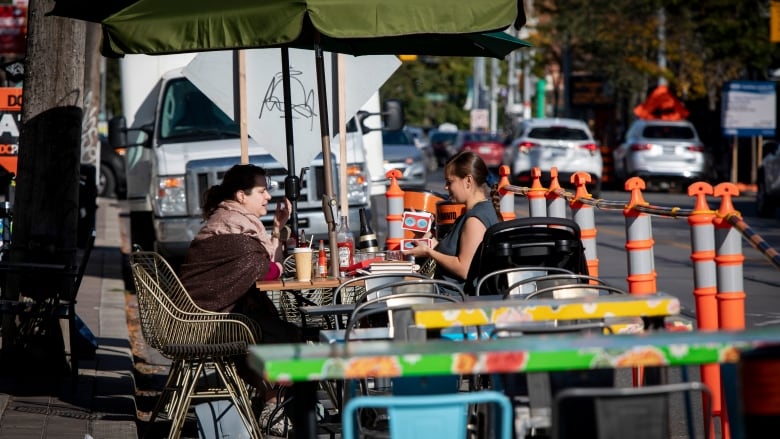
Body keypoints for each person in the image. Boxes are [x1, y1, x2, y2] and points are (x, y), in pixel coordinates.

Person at [178, 163, 297, 434]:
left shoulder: (234, 220)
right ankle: (273, 404)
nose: (267, 197)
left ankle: (272, 401)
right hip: (206, 319)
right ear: (241, 196)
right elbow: (266, 270)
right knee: (279, 332)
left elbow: (262, 263)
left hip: (206, 313)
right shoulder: (232, 226)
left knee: (268, 325)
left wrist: (278, 227)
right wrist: (277, 260)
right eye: (261, 191)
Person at [402, 151, 501, 292]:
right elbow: (453, 253)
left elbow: (464, 269)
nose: (445, 187)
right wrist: (427, 236)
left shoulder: (475, 219)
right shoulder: (475, 212)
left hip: (451, 299)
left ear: (468, 181)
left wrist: (429, 252)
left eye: (450, 181)